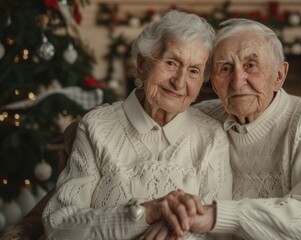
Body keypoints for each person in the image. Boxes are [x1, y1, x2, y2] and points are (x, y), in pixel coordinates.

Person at [145, 18, 301, 239]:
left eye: (251, 65)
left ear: (279, 75)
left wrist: (217, 216)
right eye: (225, 68)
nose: (237, 82)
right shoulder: (204, 118)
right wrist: (174, 219)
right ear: (213, 82)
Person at [42, 10, 232, 240]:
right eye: (171, 62)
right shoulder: (97, 127)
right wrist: (146, 213)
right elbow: (58, 225)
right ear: (142, 64)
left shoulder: (211, 136)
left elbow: (218, 234)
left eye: (194, 71)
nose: (180, 82)